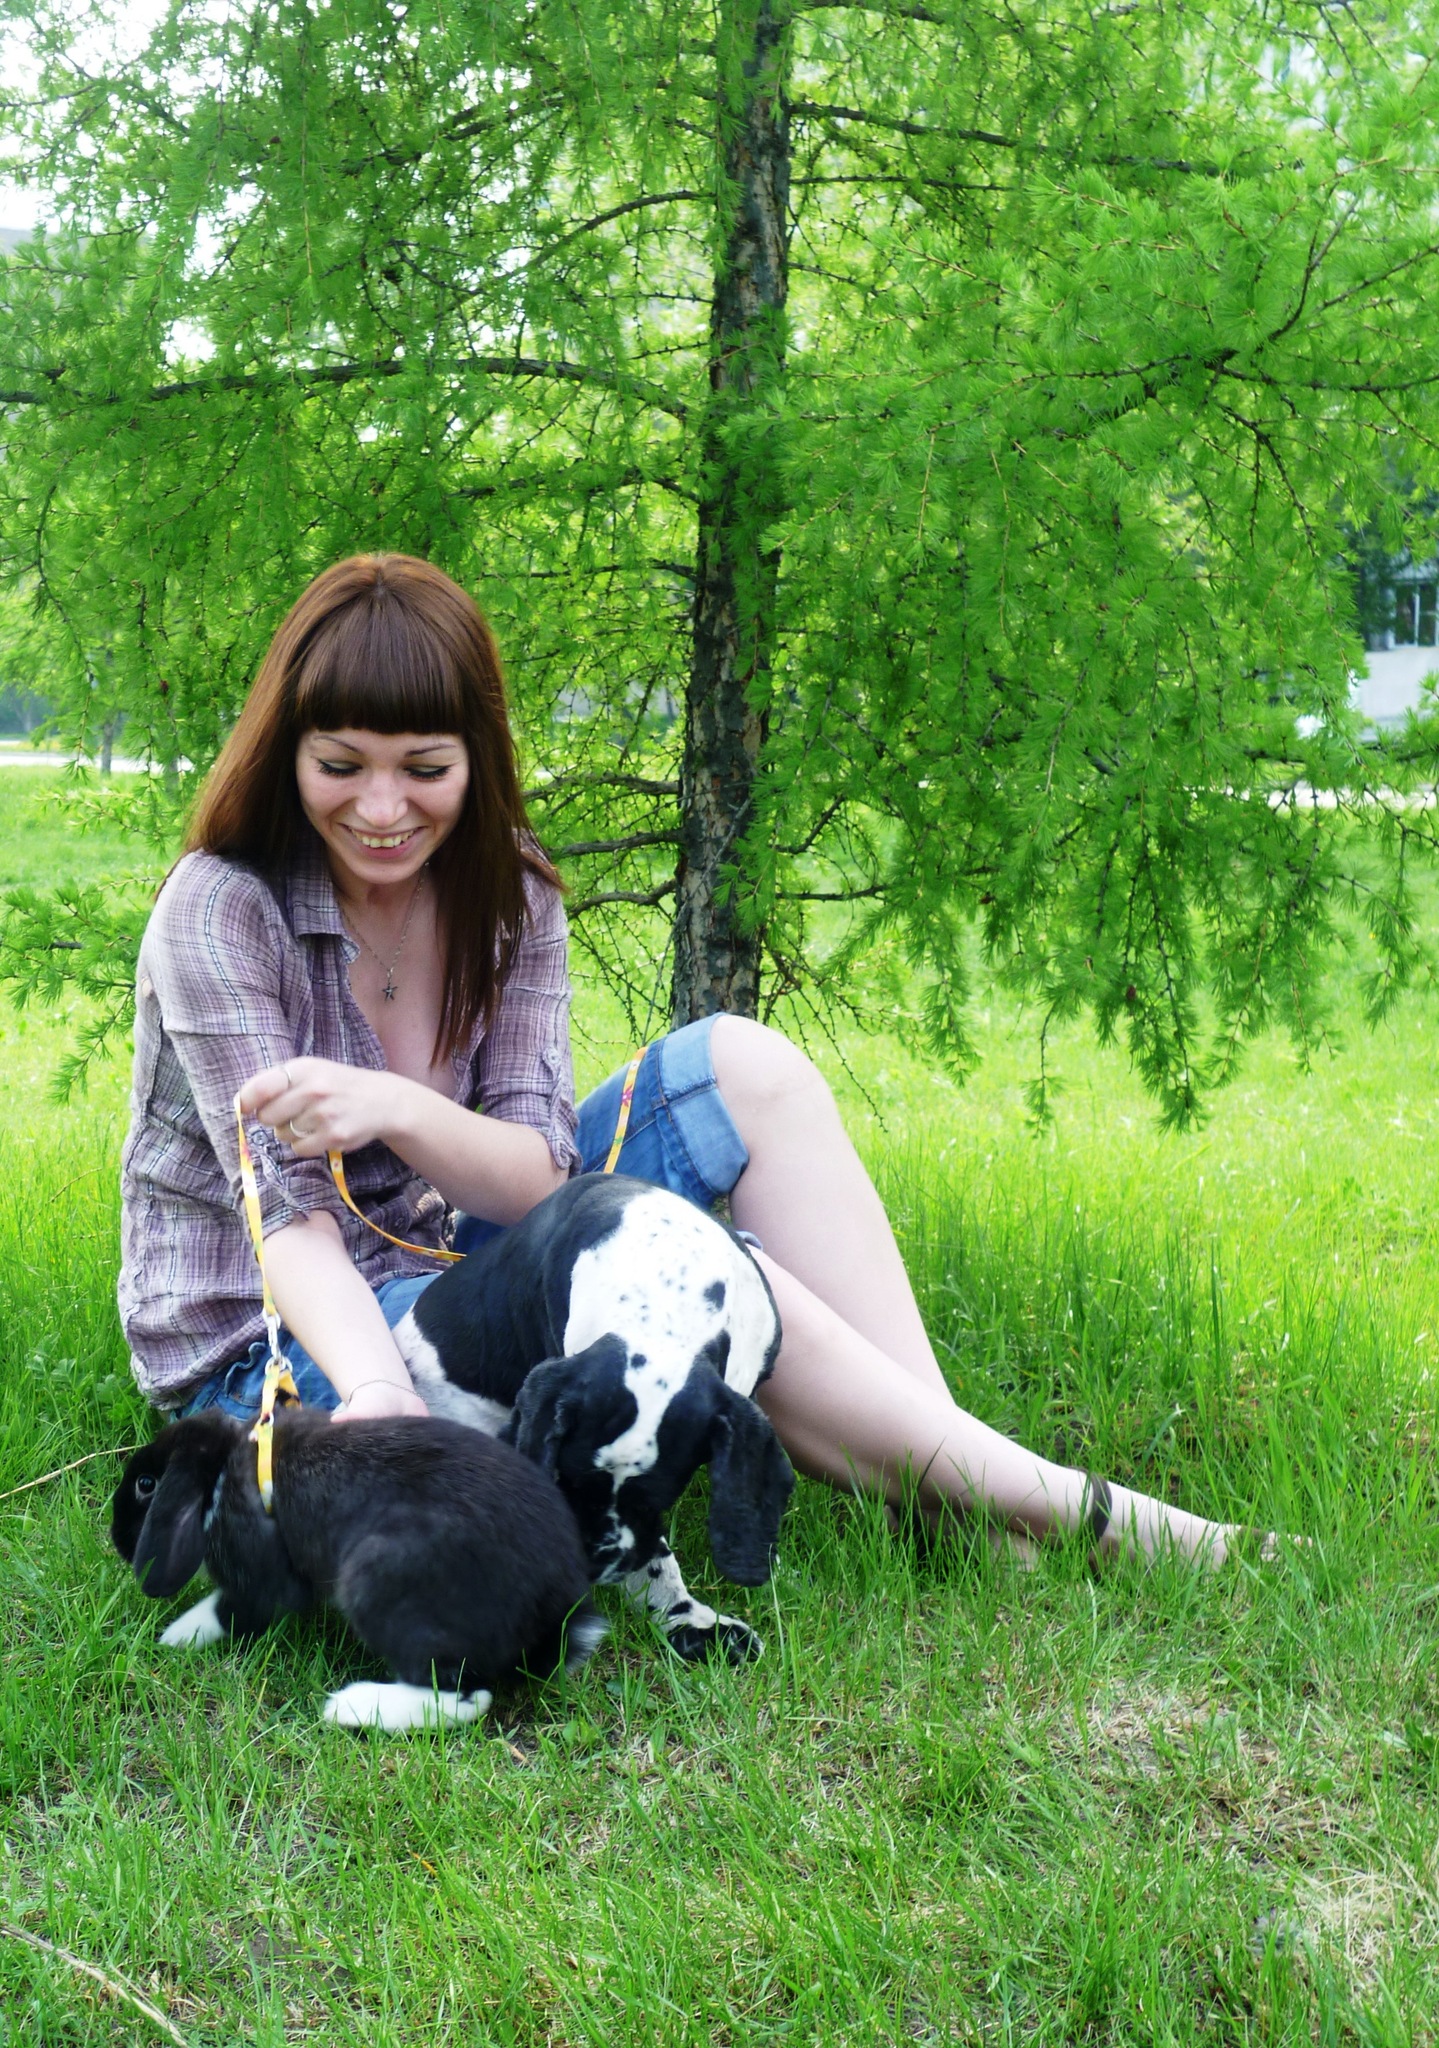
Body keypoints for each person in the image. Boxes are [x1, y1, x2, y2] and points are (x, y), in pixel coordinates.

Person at [119, 553, 1267, 1569]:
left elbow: (533, 1180)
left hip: (458, 1250)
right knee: (708, 1268)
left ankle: (952, 1484)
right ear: (288, 753)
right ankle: (1097, 1519)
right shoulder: (221, 907)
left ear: (477, 758)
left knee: (740, 1063)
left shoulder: (505, 890)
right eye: (341, 764)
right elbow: (286, 1220)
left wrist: (397, 1107)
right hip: (282, 1342)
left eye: (424, 766)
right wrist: (376, 1397)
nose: (381, 807)